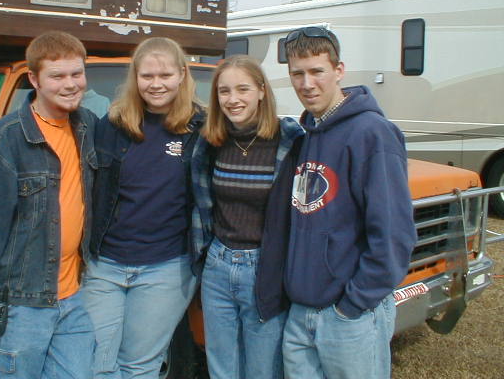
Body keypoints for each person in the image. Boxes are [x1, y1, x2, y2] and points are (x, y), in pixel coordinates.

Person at [0, 31, 98, 379]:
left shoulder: (86, 126)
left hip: (73, 298)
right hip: (20, 305)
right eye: (57, 76)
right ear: (34, 79)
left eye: (77, 73)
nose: (71, 84)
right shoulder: (5, 142)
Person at [281, 26, 417, 379]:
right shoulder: (306, 134)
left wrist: (352, 306)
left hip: (348, 316)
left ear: (339, 70)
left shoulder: (371, 133)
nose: (307, 83)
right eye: (297, 73)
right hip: (301, 312)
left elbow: (393, 235)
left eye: (317, 71)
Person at [81, 37, 204, 378]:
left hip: (166, 268)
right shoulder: (114, 125)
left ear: (181, 74)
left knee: (140, 366)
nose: (156, 84)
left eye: (165, 75)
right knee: (96, 363)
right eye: (147, 75)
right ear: (135, 77)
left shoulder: (202, 129)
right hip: (106, 263)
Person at [190, 55, 304, 379]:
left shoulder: (289, 142)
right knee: (221, 365)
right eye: (224, 91)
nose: (233, 99)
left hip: (264, 269)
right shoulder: (211, 141)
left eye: (242, 89)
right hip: (217, 264)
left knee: (263, 367)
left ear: (261, 91)